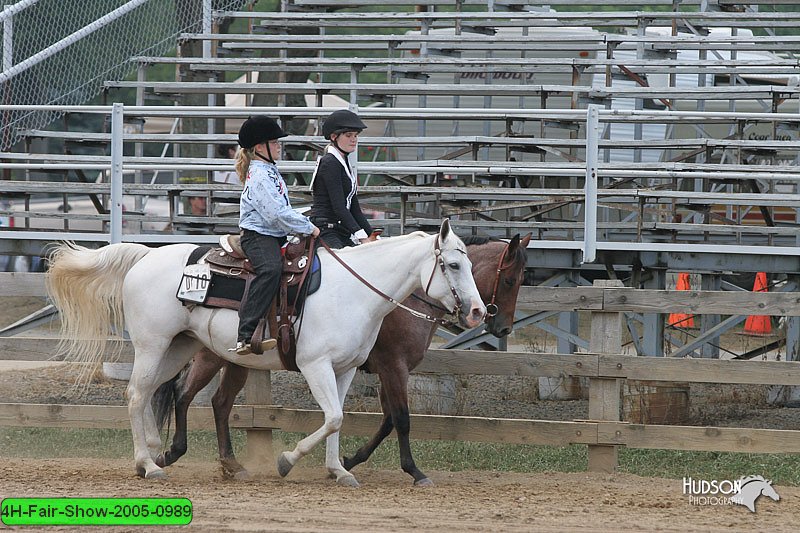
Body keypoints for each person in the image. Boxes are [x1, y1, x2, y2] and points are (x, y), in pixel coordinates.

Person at [232, 115, 320, 356]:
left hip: (272, 234)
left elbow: (281, 211)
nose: (279, 145)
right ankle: (246, 335)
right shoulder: (260, 176)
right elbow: (276, 215)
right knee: (270, 268)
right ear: (260, 147)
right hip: (258, 236)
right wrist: (307, 227)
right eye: (274, 142)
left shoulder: (270, 171)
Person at [308, 109, 374, 249]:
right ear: (333, 137)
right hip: (326, 229)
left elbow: (354, 208)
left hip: (339, 229)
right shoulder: (330, 163)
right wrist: (361, 236)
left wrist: (372, 235)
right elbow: (339, 207)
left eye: (356, 135)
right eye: (348, 135)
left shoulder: (343, 162)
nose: (354, 139)